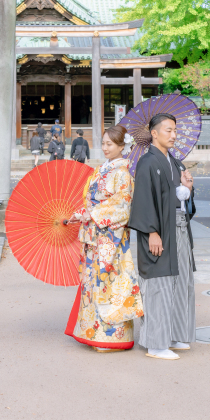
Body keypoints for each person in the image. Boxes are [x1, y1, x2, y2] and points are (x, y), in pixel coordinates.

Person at [65, 125, 143, 351]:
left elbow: (122, 206)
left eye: (110, 144)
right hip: (93, 236)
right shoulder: (101, 170)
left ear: (122, 146)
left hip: (111, 239)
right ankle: (93, 332)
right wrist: (81, 214)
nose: (105, 147)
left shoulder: (123, 173)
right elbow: (92, 202)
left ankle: (112, 338)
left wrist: (93, 214)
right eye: (104, 143)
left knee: (110, 284)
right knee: (92, 284)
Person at [128, 113, 196, 361]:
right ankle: (156, 343)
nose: (174, 135)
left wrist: (187, 188)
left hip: (179, 229)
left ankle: (176, 334)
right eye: (168, 130)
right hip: (159, 231)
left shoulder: (175, 163)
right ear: (153, 133)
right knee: (159, 284)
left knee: (181, 281)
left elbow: (179, 199)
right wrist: (152, 233)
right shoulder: (148, 162)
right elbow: (144, 200)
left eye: (175, 130)